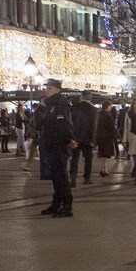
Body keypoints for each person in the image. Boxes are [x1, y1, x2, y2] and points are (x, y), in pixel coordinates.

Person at [38, 80, 76, 217]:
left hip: (59, 144)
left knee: (61, 176)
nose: (47, 90)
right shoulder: (51, 105)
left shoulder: (61, 104)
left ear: (58, 90)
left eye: (50, 88)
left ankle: (67, 206)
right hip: (51, 144)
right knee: (56, 176)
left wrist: (67, 140)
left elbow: (65, 123)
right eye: (47, 88)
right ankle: (57, 203)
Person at [68, 94, 97, 184]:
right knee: (88, 158)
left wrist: (71, 136)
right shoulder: (93, 109)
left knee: (75, 157)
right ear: (90, 99)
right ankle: (87, 178)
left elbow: (70, 122)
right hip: (87, 137)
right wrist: (93, 139)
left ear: (81, 98)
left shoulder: (74, 107)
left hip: (75, 136)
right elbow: (93, 125)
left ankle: (73, 177)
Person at [95, 103, 117, 177]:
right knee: (105, 154)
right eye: (110, 106)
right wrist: (113, 135)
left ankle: (104, 169)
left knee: (102, 154)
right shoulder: (108, 115)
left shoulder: (99, 114)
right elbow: (111, 126)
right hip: (107, 137)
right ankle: (104, 169)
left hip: (100, 136)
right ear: (108, 106)